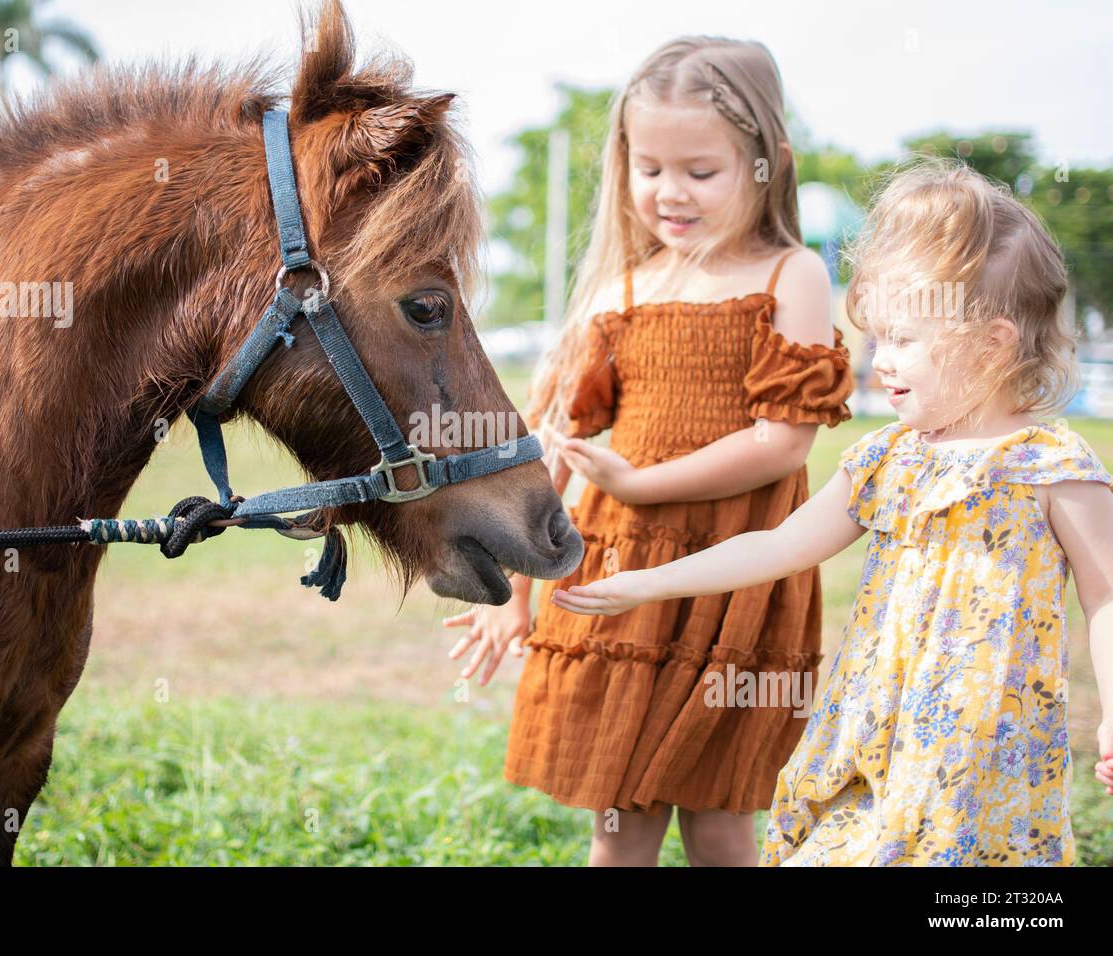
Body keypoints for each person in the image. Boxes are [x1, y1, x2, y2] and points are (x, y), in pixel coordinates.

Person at [553, 158, 1113, 866]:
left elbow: (1106, 598)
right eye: (878, 339)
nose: (880, 362)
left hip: (986, 761)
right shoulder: (887, 460)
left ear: (993, 344)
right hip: (876, 737)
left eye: (904, 341)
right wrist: (644, 582)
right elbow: (779, 546)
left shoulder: (1051, 467)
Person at [444, 36, 855, 866]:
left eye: (701, 172)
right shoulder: (621, 288)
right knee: (619, 820)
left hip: (735, 576)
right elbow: (555, 453)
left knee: (718, 821)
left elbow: (782, 445)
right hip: (614, 575)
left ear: (767, 163)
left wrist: (643, 479)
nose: (671, 193)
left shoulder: (791, 276)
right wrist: (514, 594)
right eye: (649, 168)